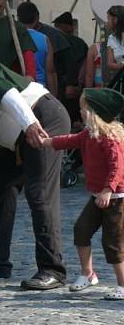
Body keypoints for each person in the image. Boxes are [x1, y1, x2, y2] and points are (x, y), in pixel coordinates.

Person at [0, 57, 70, 289]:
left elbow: (8, 93)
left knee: (40, 193)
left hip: (40, 117)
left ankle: (52, 269)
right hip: (12, 137)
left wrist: (30, 124)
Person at [44, 89, 124, 300]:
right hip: (98, 196)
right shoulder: (88, 135)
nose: (79, 112)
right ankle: (88, 274)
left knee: (113, 242)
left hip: (116, 200)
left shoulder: (110, 139)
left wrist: (108, 190)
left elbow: (117, 168)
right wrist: (47, 142)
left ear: (94, 113)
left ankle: (123, 284)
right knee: (81, 229)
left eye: (83, 108)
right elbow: (68, 141)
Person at [53, 11, 88, 124]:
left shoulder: (58, 41)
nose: (55, 28)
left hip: (63, 83)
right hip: (77, 85)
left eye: (57, 25)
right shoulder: (81, 42)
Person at [18, 1, 57, 94]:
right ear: (36, 18)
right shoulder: (44, 39)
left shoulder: (14, 37)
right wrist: (53, 96)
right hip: (39, 89)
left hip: (18, 87)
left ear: (18, 18)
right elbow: (50, 72)